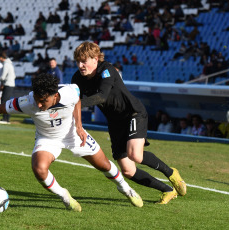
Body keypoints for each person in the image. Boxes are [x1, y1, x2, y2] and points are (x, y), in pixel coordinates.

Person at [0, 73, 143, 211]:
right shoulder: (28, 101)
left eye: (43, 101)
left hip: (72, 134)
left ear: (55, 95)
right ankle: (64, 196)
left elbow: (77, 99)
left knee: (104, 165)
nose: (38, 105)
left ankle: (125, 188)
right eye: (37, 101)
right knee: (39, 168)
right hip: (47, 138)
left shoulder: (69, 91)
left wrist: (79, 126)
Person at [71, 41, 186, 205]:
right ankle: (168, 190)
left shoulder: (107, 70)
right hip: (115, 122)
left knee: (135, 155)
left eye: (84, 61)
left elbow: (101, 96)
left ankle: (171, 172)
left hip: (133, 113)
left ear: (96, 59)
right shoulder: (77, 78)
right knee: (127, 170)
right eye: (78, 61)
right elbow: (72, 99)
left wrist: (77, 104)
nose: (81, 65)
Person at [0, 51, 16, 124]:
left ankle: (6, 118)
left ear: (1, 57)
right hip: (10, 84)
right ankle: (6, 118)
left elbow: (3, 76)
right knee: (6, 101)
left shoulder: (6, 64)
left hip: (8, 84)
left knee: (4, 102)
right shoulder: (9, 64)